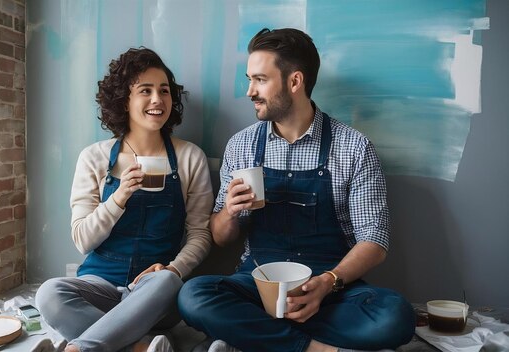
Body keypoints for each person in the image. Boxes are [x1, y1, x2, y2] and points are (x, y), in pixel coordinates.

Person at [178, 28, 416, 352]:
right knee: (193, 296)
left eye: (260, 79)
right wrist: (230, 212)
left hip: (329, 286)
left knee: (396, 315)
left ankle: (256, 335)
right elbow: (221, 237)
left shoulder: (354, 148)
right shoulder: (241, 145)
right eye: (249, 79)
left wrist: (327, 284)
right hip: (256, 283)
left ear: (295, 82)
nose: (249, 91)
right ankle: (313, 348)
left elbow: (375, 241)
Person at [36, 47, 213, 352]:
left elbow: (200, 234)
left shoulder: (189, 157)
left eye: (164, 91)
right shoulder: (94, 157)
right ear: (124, 100)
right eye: (146, 90)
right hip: (100, 283)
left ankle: (79, 349)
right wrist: (119, 197)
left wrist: (173, 269)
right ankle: (140, 346)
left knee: (170, 282)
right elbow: (82, 239)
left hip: (154, 291)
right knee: (49, 294)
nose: (158, 99)